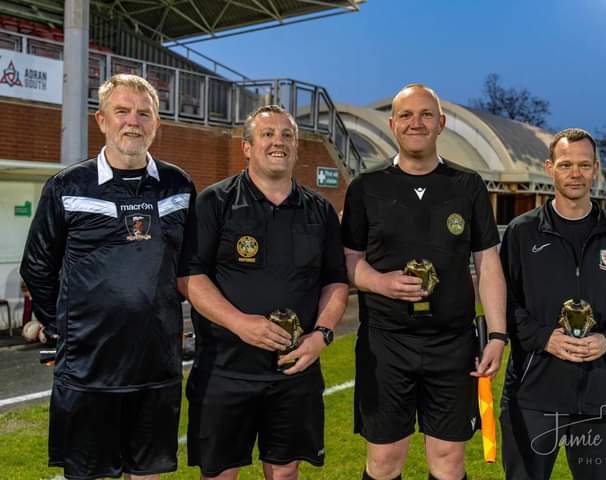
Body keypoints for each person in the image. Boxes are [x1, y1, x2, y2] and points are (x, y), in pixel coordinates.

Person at [20, 74, 195, 479]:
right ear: (101, 120)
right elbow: (38, 265)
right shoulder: (68, 185)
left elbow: (191, 267)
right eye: (122, 111)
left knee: (148, 475)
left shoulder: (179, 185)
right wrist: (61, 328)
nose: (133, 121)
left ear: (156, 124)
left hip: (157, 369)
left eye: (144, 113)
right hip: (88, 372)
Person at [342, 84, 507, 480]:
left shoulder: (467, 185)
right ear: (392, 124)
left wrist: (498, 335)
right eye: (406, 115)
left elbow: (487, 263)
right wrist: (380, 283)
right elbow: (348, 260)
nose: (416, 122)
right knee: (384, 460)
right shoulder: (367, 186)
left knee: (449, 459)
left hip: (452, 343)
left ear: (441, 124)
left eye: (426, 115)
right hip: (385, 342)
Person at [178, 105, 348, 480]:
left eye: (287, 135)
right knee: (220, 474)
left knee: (285, 473)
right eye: (267, 134)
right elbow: (189, 276)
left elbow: (336, 282)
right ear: (247, 147)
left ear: (297, 146)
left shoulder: (319, 210)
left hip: (295, 370)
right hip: (225, 370)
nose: (278, 142)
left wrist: (321, 335)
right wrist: (240, 324)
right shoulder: (214, 202)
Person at [499, 128, 606, 479]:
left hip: (601, 394)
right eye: (566, 164)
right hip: (533, 392)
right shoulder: (522, 232)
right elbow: (503, 303)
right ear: (550, 167)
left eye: (584, 165)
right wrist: (543, 338)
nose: (575, 173)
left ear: (596, 169)